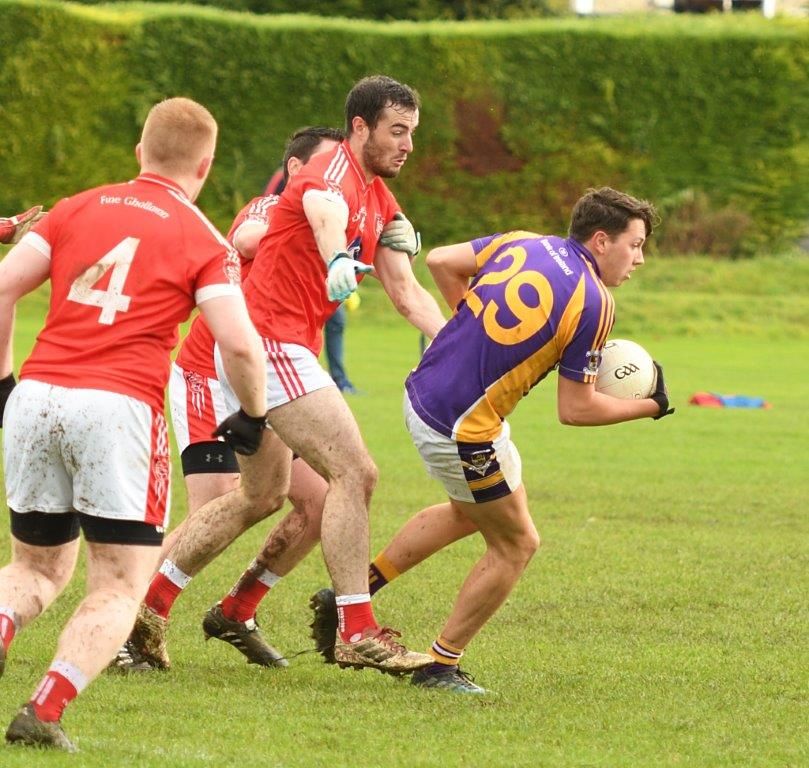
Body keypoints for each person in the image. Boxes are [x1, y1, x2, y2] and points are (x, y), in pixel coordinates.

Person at [129, 74, 446, 676]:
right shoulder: (330, 174)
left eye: (413, 133)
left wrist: (456, 344)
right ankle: (357, 629)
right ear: (360, 127)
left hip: (267, 347)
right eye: (396, 131)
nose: (407, 145)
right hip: (267, 341)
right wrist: (335, 257)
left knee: (263, 496)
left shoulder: (380, 200)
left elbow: (406, 292)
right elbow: (321, 208)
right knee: (356, 471)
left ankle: (149, 609)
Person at [310, 187, 675, 693]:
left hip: (425, 390)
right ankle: (440, 666)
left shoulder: (526, 242)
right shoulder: (595, 302)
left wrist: (471, 322)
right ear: (600, 240)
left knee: (468, 511)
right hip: (462, 428)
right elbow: (575, 409)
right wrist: (652, 403)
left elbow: (439, 260)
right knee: (517, 543)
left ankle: (352, 593)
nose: (639, 258)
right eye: (634, 245)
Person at [0, 97, 268, 751]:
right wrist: (254, 414)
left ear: (138, 152)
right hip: (119, 408)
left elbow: (4, 286)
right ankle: (44, 710)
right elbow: (236, 343)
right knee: (119, 582)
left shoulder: (74, 208)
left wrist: (3, 382)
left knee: (34, 568)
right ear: (204, 165)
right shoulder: (205, 239)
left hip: (36, 395)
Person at [120, 127, 343, 671]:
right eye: (323, 169)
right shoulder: (271, 206)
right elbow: (244, 242)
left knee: (320, 503)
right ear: (295, 169)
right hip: (213, 377)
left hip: (283, 383)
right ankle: (127, 621)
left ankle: (237, 609)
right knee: (218, 508)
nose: (332, 184)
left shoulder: (341, 216)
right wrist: (313, 234)